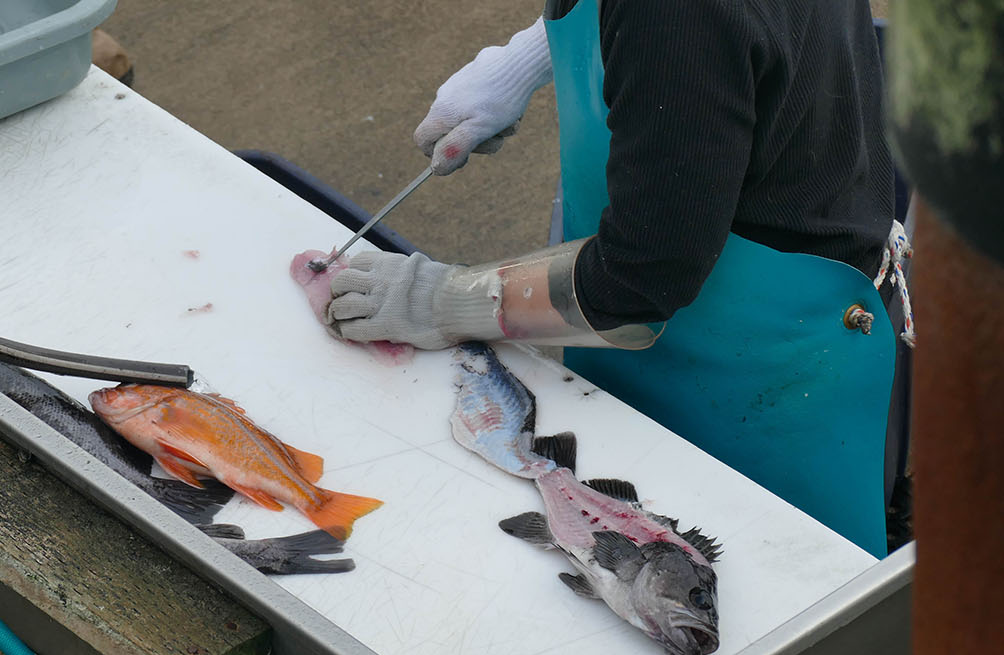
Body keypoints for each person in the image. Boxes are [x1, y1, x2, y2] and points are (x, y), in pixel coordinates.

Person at [320, 0, 912, 557]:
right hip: (671, 287)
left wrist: (441, 302)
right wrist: (526, 59)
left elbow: (642, 278)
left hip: (766, 368)